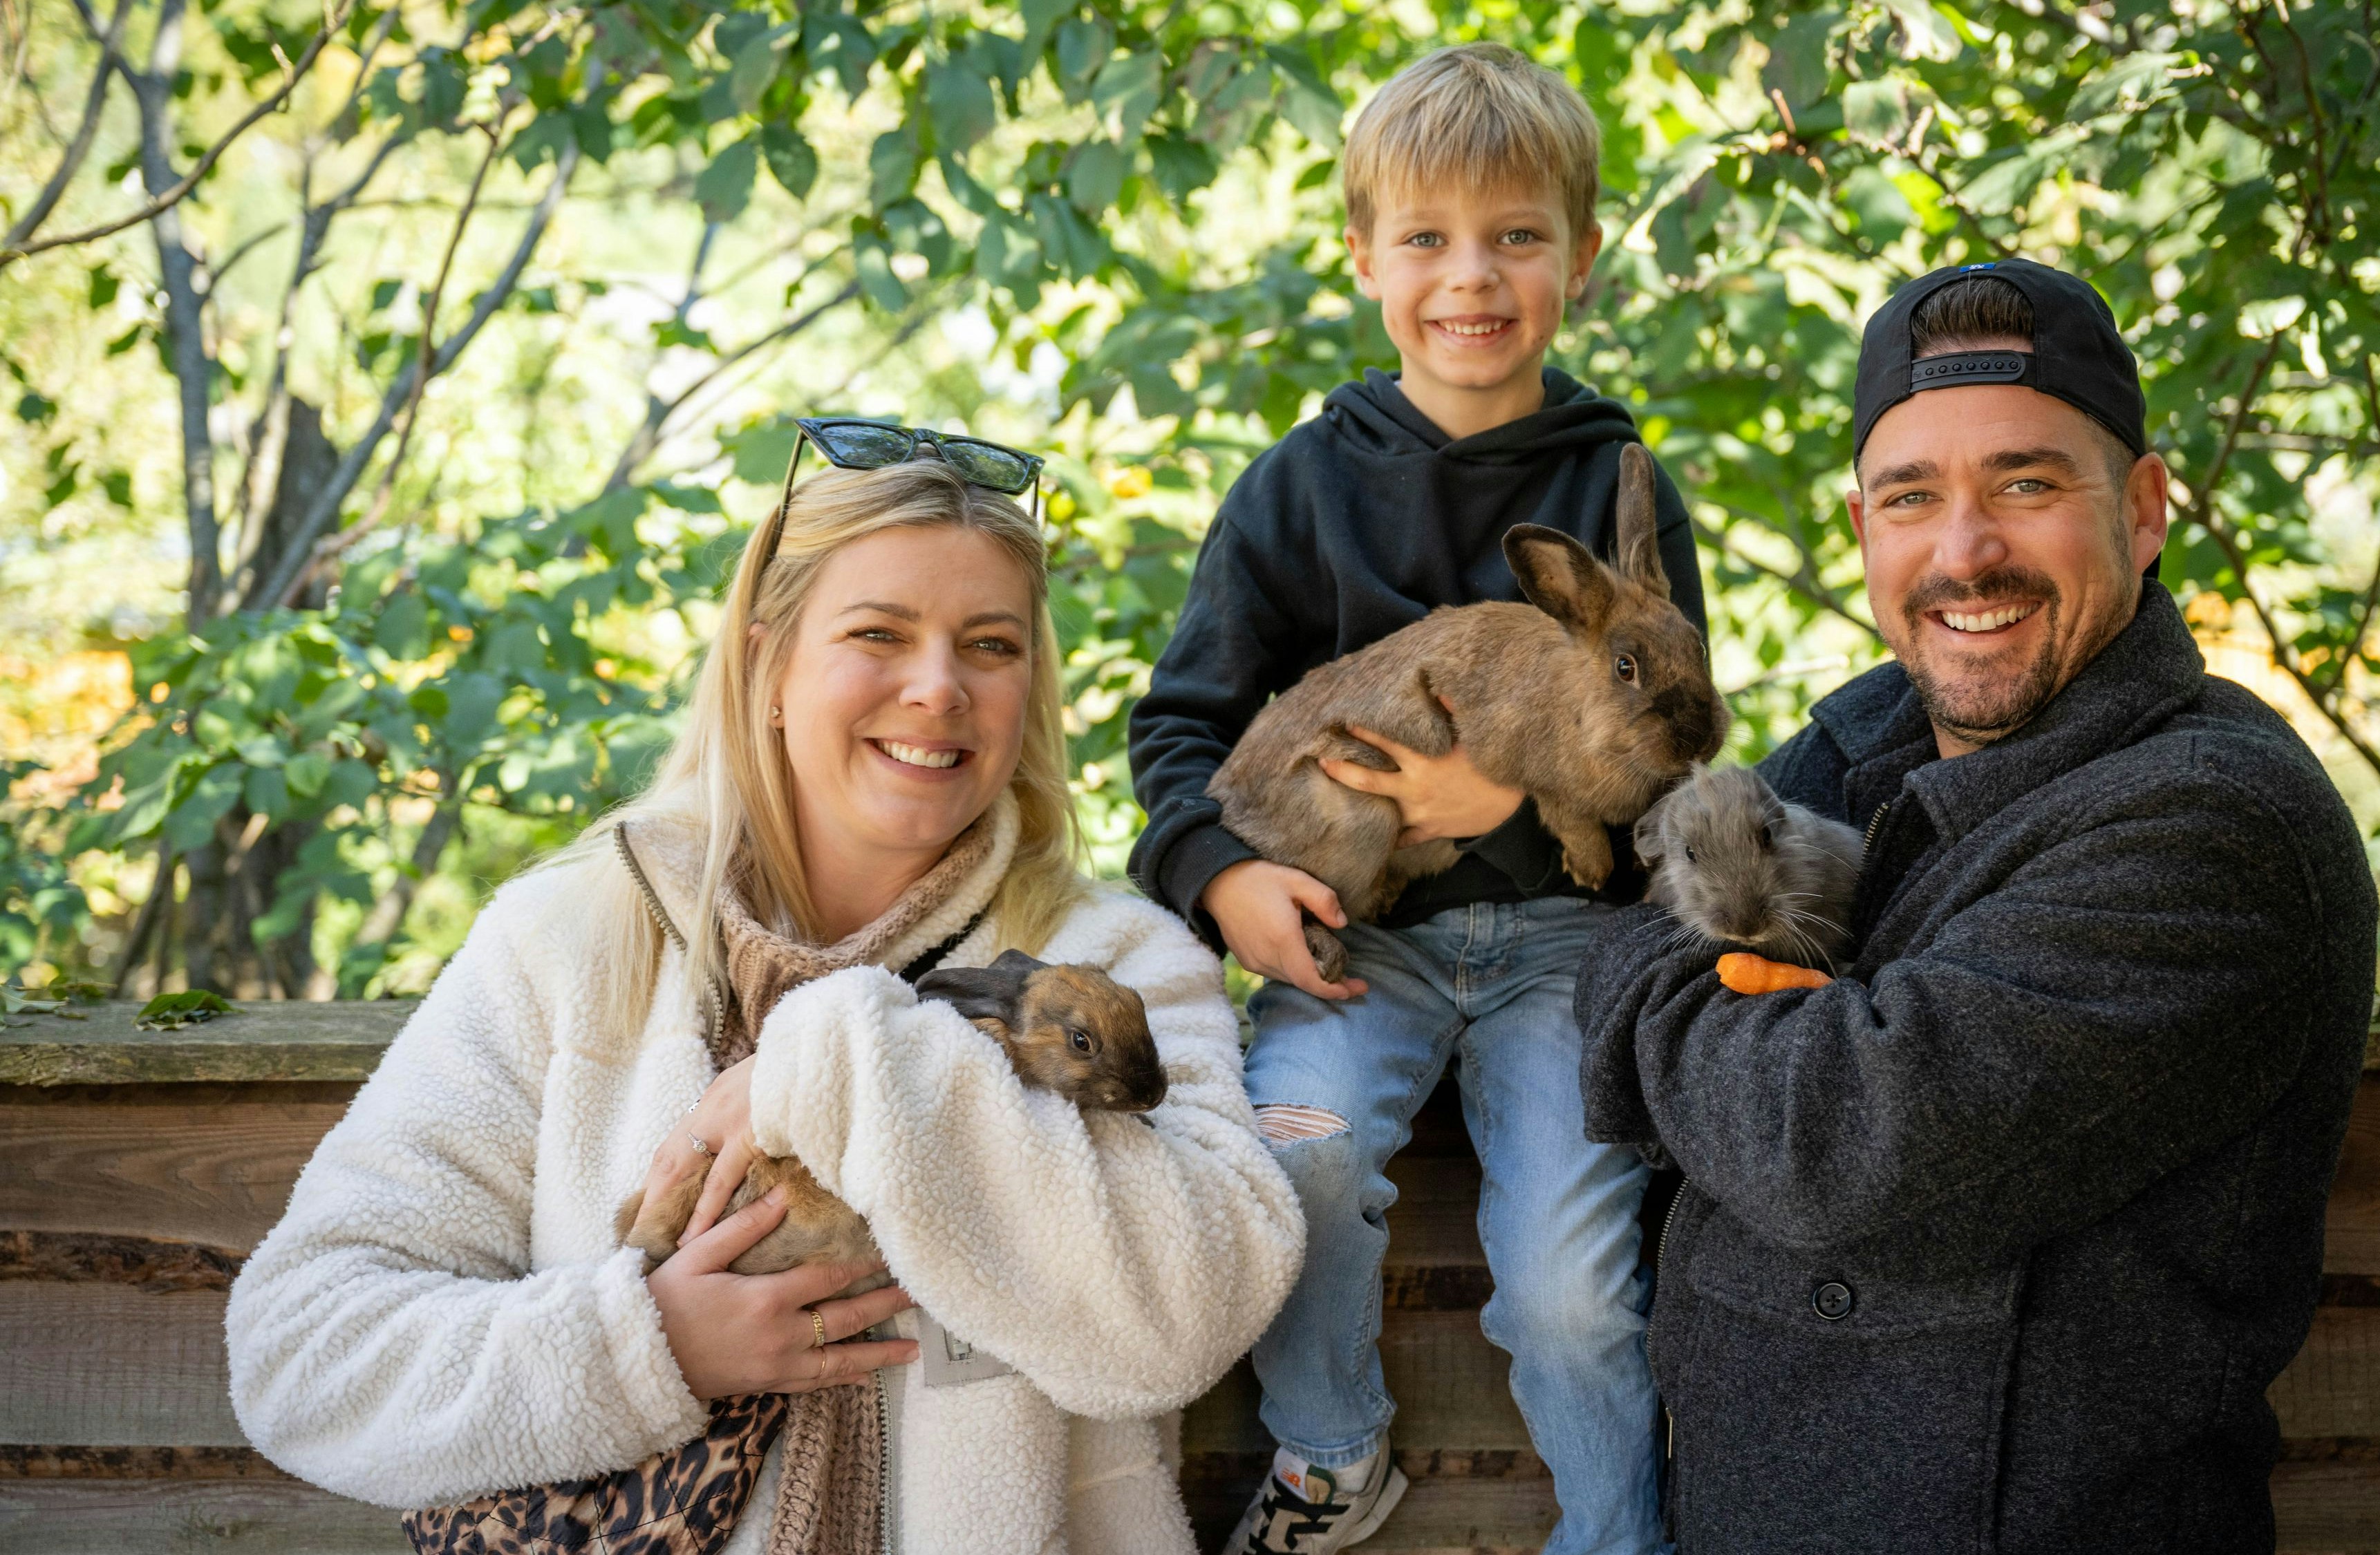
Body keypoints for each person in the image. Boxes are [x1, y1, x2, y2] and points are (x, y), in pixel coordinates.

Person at [226, 440, 1306, 1555]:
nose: (940, 686)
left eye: (991, 645)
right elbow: (301, 1350)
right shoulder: (574, 940)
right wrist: (648, 1345)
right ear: (768, 667)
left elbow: (1189, 1315)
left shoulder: (1117, 960)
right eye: (878, 634)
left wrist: (834, 1069)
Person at [1577, 258, 2379, 1552]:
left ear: (2146, 507)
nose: (1965, 553)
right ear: (1862, 532)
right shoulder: (1871, 734)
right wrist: (1698, 993)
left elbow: (1831, 1140)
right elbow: (1635, 920)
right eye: (1913, 497)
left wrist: (1668, 1007)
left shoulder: (2217, 821)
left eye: (2025, 482)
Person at [1125, 44, 1703, 1555]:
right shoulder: (1294, 492)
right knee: (1293, 1166)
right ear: (1362, 257)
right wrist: (1223, 879)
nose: (1472, 278)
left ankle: (1616, 1533)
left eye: (1516, 236)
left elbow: (1674, 759)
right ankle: (1330, 1449)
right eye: (1428, 240)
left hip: (1567, 948)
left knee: (1572, 1286)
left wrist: (1499, 816)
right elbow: (1178, 727)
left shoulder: (1617, 482)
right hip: (1347, 943)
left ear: (1577, 255)